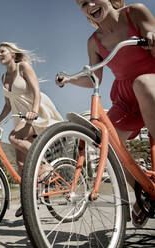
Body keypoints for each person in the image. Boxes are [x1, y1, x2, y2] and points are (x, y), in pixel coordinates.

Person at [56, 0, 155, 227]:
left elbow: (153, 31)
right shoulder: (94, 42)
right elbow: (94, 78)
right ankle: (141, 191)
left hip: (151, 83)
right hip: (125, 97)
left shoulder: (134, 12)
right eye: (82, 4)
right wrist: (70, 79)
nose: (89, 4)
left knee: (142, 84)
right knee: (106, 143)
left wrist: (151, 36)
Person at [0, 42, 63, 217]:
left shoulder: (23, 67)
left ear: (13, 53)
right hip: (20, 119)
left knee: (14, 139)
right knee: (22, 164)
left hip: (35, 113)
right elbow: (8, 105)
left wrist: (34, 112)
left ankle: (45, 167)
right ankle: (28, 200)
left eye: (2, 51)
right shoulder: (3, 78)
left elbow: (37, 92)